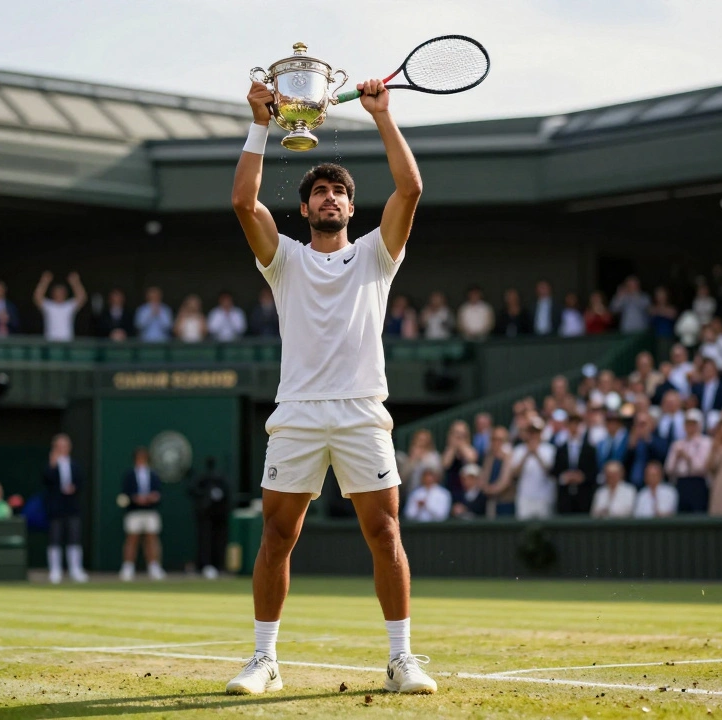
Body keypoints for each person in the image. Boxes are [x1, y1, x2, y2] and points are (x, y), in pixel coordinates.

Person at [227, 75, 435, 696]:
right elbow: (243, 202)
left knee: (386, 533)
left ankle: (400, 659)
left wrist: (382, 115)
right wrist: (260, 121)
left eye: (338, 193)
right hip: (297, 412)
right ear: (307, 208)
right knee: (277, 535)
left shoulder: (377, 254)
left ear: (350, 208)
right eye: (318, 192)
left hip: (361, 411)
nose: (328, 199)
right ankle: (264, 659)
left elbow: (412, 187)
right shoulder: (284, 259)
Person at [43, 433, 88, 584]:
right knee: (54, 538)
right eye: (59, 446)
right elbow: (46, 480)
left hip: (72, 506)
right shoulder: (50, 465)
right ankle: (55, 570)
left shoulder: (75, 465)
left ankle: (76, 570)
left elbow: (81, 483)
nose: (62, 448)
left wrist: (74, 488)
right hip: (55, 507)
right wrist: (52, 465)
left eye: (64, 446)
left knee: (74, 537)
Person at [119, 447, 164, 582]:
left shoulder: (154, 475)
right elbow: (125, 494)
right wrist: (135, 498)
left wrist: (152, 498)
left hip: (150, 511)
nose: (141, 460)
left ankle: (154, 567)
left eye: (144, 457)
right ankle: (128, 567)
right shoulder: (129, 475)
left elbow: (158, 493)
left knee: (152, 539)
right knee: (132, 539)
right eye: (139, 458)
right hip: (134, 511)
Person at [188, 456, 230, 580]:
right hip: (205, 516)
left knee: (218, 540)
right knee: (205, 540)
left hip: (219, 516)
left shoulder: (221, 480)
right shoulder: (202, 479)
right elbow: (192, 490)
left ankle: (218, 565)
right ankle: (205, 565)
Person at [665, 409, 713, 514]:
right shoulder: (677, 444)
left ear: (699, 425)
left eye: (693, 424)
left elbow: (702, 467)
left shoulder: (706, 442)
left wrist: (687, 458)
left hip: (698, 483)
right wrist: (677, 458)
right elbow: (668, 468)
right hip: (681, 483)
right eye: (688, 424)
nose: (690, 427)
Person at [511, 420, 556, 520]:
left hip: (544, 498)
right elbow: (515, 474)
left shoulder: (550, 450)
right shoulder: (519, 450)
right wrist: (527, 454)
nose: (534, 435)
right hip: (524, 498)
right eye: (531, 432)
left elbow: (550, 472)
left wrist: (536, 454)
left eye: (536, 432)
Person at [33, 271, 87, 342]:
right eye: (57, 292)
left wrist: (75, 283)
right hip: (50, 341)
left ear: (65, 294)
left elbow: (82, 298)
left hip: (67, 342)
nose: (59, 294)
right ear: (53, 294)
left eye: (61, 292)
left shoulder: (69, 306)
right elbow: (37, 297)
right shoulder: (49, 305)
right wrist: (44, 282)